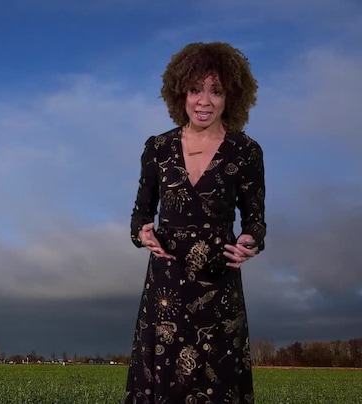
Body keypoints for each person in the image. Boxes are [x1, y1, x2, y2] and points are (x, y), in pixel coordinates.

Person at [124, 42, 266, 403]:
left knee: (220, 386)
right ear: (180, 93)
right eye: (195, 89)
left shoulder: (246, 151)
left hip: (219, 287)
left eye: (215, 91)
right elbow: (140, 214)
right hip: (167, 286)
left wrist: (250, 241)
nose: (204, 101)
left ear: (231, 96)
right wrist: (143, 233)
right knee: (164, 384)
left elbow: (255, 220)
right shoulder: (157, 148)